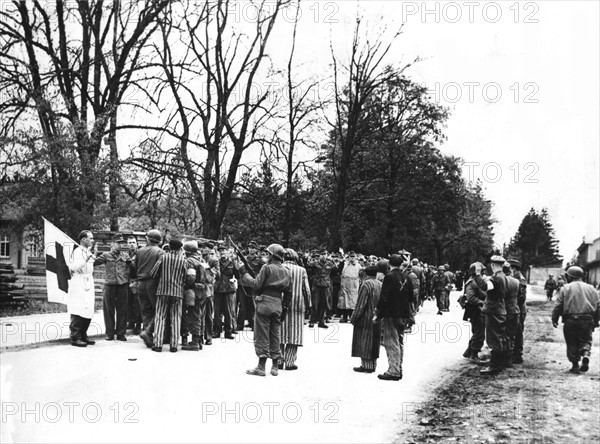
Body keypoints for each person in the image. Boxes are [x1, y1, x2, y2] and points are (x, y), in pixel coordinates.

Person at [240, 244, 292, 377]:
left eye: (268, 254)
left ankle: (261, 367)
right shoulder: (287, 271)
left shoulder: (266, 268)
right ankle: (275, 366)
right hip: (278, 305)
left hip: (264, 303)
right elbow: (288, 293)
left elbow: (256, 286)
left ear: (272, 255)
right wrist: (284, 309)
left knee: (262, 335)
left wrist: (244, 274)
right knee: (275, 335)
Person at [551, 266, 600, 373]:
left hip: (570, 320)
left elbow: (558, 305)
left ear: (569, 276)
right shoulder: (592, 288)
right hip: (587, 319)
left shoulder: (565, 288)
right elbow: (598, 305)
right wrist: (596, 321)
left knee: (572, 342)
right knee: (586, 340)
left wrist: (554, 318)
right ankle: (586, 354)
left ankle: (575, 365)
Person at [373, 254, 414, 381]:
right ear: (401, 264)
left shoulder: (389, 277)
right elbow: (411, 297)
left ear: (389, 264)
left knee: (391, 342)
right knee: (400, 341)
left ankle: (393, 371)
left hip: (391, 313)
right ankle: (398, 368)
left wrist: (378, 312)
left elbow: (384, 296)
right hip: (403, 313)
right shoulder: (406, 277)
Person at [150, 238, 187, 352]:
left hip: (162, 291)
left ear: (170, 246)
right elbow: (186, 277)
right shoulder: (183, 260)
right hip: (177, 292)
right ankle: (174, 345)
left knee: (160, 317)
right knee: (176, 318)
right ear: (180, 248)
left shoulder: (163, 257)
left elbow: (153, 273)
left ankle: (158, 344)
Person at [94, 233, 132, 341]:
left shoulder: (125, 255)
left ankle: (121, 333)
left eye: (121, 243)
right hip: (109, 285)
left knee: (123, 310)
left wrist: (128, 261)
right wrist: (93, 253)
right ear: (113, 244)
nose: (120, 245)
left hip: (122, 285)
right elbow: (94, 262)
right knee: (108, 310)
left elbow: (133, 268)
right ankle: (109, 333)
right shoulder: (106, 255)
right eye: (118, 243)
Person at [280, 248, 311, 370]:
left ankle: (279, 360)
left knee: (280, 332)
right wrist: (309, 305)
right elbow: (306, 290)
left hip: (281, 303)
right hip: (297, 304)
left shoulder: (279, 268)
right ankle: (289, 362)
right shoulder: (301, 270)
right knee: (294, 333)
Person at [68, 230, 98, 347]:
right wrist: (86, 258)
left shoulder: (87, 251)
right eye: (90, 238)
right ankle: (75, 336)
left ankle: (83, 334)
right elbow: (74, 266)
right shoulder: (77, 251)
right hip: (79, 281)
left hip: (88, 280)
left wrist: (93, 255)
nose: (92, 240)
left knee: (88, 308)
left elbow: (90, 265)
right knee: (78, 307)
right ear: (83, 239)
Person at [480, 255, 508, 375]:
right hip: (501, 310)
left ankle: (494, 366)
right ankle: (500, 364)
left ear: (492, 265)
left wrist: (479, 277)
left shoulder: (495, 278)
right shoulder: (504, 277)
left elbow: (485, 287)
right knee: (500, 337)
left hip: (493, 311)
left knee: (493, 339)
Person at [136, 229, 165, 348]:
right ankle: (148, 332)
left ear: (148, 239)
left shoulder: (139, 251)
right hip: (153, 283)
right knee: (158, 310)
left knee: (146, 310)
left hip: (140, 283)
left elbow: (135, 266)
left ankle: (148, 336)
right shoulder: (160, 252)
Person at [351, 266, 382, 373]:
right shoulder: (379, 284)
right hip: (377, 317)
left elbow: (361, 304)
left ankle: (366, 365)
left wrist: (354, 318)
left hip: (366, 317)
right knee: (375, 342)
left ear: (366, 274)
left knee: (365, 341)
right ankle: (373, 364)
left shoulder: (366, 284)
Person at [181, 240, 208, 351]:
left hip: (193, 291)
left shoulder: (189, 261)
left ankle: (195, 342)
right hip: (203, 290)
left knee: (194, 316)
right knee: (200, 315)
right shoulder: (201, 259)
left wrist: (186, 286)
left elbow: (191, 277)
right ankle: (199, 339)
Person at [462, 262, 487, 362]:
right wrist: (482, 302)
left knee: (478, 332)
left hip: (478, 310)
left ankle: (469, 351)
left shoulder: (477, 282)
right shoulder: (471, 283)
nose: (483, 274)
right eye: (482, 271)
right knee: (479, 333)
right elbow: (471, 298)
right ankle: (474, 354)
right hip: (475, 311)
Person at [213, 245, 238, 340]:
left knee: (228, 311)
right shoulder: (216, 262)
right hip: (218, 287)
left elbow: (237, 275)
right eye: (220, 251)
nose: (222, 252)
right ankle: (217, 331)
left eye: (224, 250)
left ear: (227, 252)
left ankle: (228, 331)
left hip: (228, 288)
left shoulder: (232, 262)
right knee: (217, 311)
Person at [307, 250, 335, 328]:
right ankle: (312, 320)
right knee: (315, 304)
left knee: (324, 304)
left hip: (326, 285)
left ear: (327, 255)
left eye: (324, 254)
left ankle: (321, 321)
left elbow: (336, 271)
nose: (323, 256)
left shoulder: (330, 263)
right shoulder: (315, 263)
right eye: (321, 254)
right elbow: (309, 267)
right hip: (317, 285)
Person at [509, 260, 527, 364]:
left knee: (518, 331)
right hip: (515, 308)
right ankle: (513, 353)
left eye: (510, 268)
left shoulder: (520, 280)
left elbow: (521, 298)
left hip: (519, 309)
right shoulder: (514, 278)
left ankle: (518, 355)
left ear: (514, 269)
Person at [503, 262, 521, 367]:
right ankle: (509, 358)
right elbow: (520, 296)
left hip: (504, 311)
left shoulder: (502, 281)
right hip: (515, 311)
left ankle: (504, 359)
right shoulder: (516, 281)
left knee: (503, 335)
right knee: (512, 335)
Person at [338, 251, 362, 323]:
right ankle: (344, 317)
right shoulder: (344, 265)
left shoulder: (358, 266)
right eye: (350, 257)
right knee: (344, 301)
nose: (352, 258)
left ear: (355, 257)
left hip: (354, 286)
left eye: (353, 257)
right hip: (345, 285)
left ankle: (352, 317)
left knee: (353, 302)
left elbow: (362, 275)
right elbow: (339, 272)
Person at [125, 236, 142, 335]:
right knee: (128, 303)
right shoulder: (125, 255)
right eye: (130, 242)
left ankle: (138, 325)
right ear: (127, 245)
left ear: (136, 244)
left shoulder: (140, 254)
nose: (131, 244)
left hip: (137, 281)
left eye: (133, 242)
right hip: (127, 281)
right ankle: (130, 322)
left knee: (137, 304)